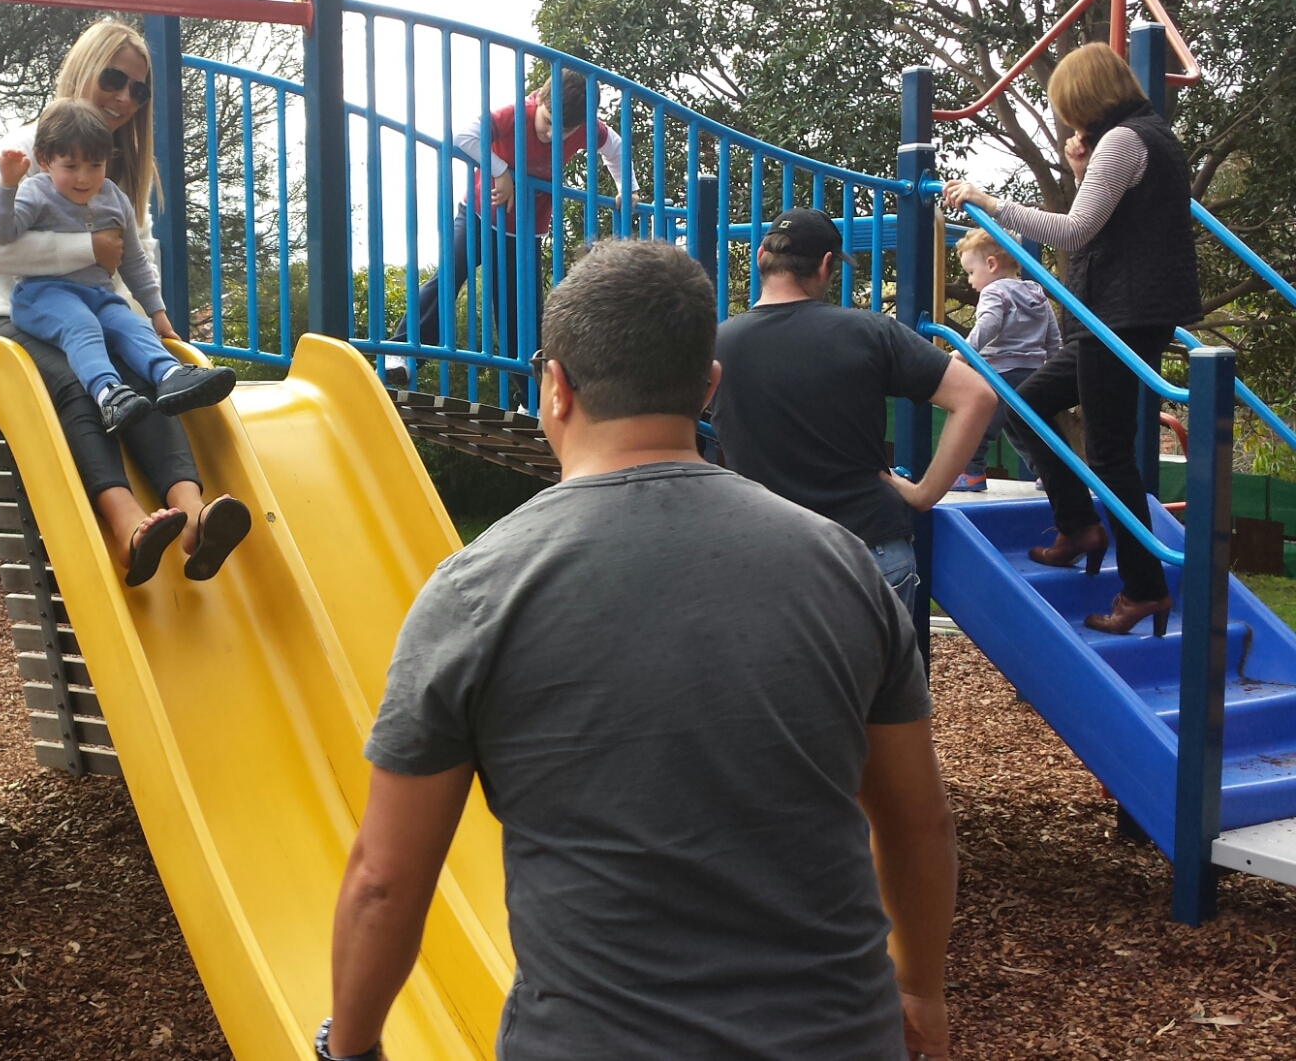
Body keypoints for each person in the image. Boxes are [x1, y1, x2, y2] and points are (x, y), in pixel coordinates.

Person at [320, 239, 956, 1061]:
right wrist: (919, 988)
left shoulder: (476, 591)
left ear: (556, 386)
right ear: (710, 387)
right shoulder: (842, 564)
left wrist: (350, 1048)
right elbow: (917, 818)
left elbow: (384, 880)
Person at [0, 20, 250, 587]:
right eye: (113, 79)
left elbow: (134, 260)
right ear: (83, 70)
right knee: (78, 381)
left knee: (144, 383)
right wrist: (87, 247)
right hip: (14, 315)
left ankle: (193, 516)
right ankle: (127, 526)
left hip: (93, 309)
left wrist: (152, 324)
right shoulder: (30, 150)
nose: (124, 97)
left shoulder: (121, 171)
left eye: (138, 90)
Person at [944, 41, 1201, 636]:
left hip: (1120, 315)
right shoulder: (1149, 135)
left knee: (1109, 454)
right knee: (1025, 402)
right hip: (1124, 313)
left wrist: (990, 203)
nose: (1068, 118)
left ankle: (1144, 590)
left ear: (1084, 97)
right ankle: (1078, 526)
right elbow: (1118, 220)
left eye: (1067, 105)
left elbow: (1077, 231)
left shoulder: (1124, 139)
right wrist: (1083, 171)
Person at [710, 208, 997, 603]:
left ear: (762, 256)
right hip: (867, 547)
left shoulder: (717, 346)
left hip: (766, 553)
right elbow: (977, 396)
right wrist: (924, 493)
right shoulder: (869, 331)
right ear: (825, 265)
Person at [0, 98, 235, 434]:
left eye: (94, 165)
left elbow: (134, 260)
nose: (84, 177)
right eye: (71, 166)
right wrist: (7, 185)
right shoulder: (36, 192)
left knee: (132, 325)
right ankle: (108, 394)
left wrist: (157, 312)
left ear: (107, 160)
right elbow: (0, 233)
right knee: (82, 325)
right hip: (42, 294)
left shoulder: (114, 198)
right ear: (44, 161)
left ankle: (170, 375)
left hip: (98, 294)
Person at [383, 69, 639, 385]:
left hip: (524, 231)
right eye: (548, 122)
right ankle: (403, 354)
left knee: (520, 312)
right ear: (539, 99)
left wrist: (628, 187)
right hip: (479, 215)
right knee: (448, 278)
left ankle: (529, 395)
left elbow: (614, 146)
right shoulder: (517, 114)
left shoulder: (586, 127)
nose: (553, 135)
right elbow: (463, 136)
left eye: (565, 131)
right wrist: (500, 170)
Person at [948, 228, 1061, 491]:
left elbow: (988, 325)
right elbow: (1052, 335)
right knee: (1021, 426)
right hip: (1033, 373)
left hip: (1000, 373)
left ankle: (971, 472)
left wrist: (963, 353)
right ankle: (1049, 471)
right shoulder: (1036, 293)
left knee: (979, 422)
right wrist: (1054, 365)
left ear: (991, 264)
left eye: (971, 272)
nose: (969, 280)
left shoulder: (994, 292)